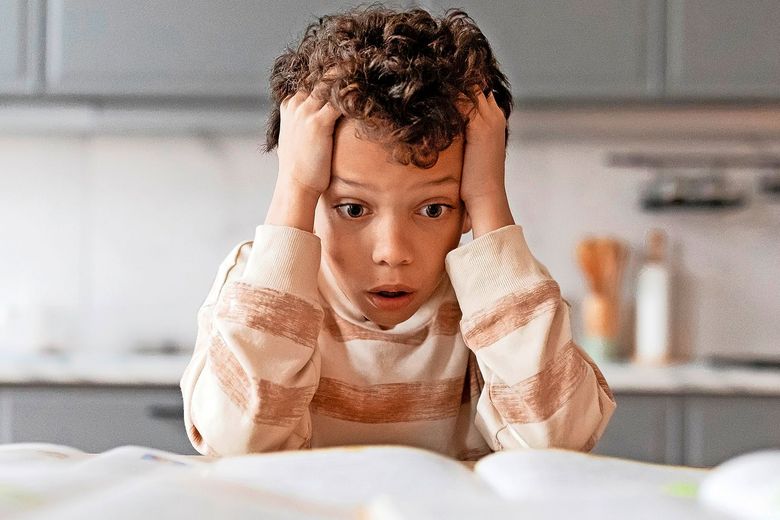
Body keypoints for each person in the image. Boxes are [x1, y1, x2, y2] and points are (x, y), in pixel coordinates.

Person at [180, 5, 615, 460]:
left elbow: (561, 444)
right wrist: (293, 188)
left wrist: (489, 197)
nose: (392, 252)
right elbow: (235, 445)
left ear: (465, 206)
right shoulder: (262, 286)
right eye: (352, 208)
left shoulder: (500, 300)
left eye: (432, 208)